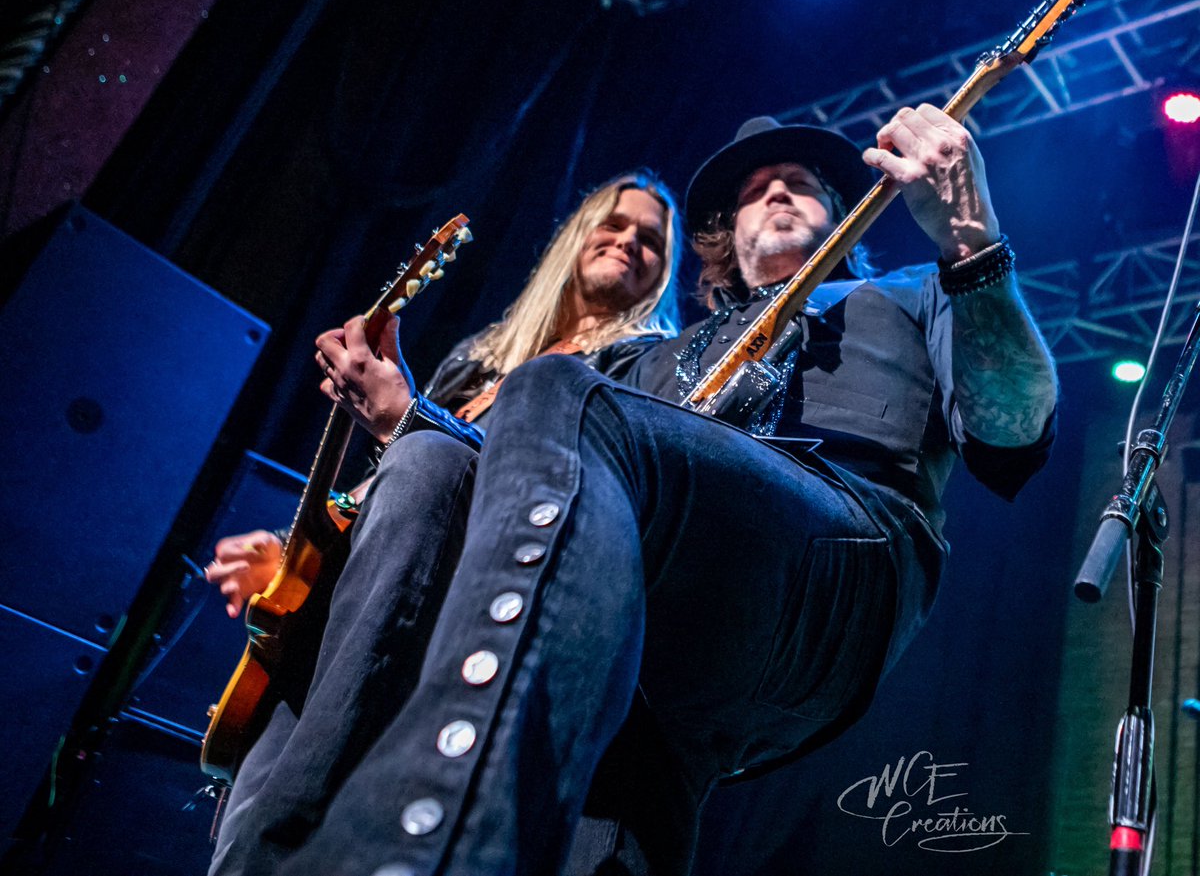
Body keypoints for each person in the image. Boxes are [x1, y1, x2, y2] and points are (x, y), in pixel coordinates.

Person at [214, 104, 1057, 876]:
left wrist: (972, 243)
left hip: (831, 578)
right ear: (722, 235)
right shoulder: (639, 359)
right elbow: (511, 479)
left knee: (553, 390)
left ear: (841, 210)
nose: (778, 194)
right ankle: (273, 846)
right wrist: (410, 418)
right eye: (755, 191)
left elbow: (1013, 426)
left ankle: (422, 842)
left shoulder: (911, 295)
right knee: (429, 466)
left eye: (800, 184)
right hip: (648, 616)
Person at [204, 170, 682, 873]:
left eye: (651, 239)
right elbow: (384, 491)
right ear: (574, 237)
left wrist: (410, 418)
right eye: (614, 223)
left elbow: (552, 495)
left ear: (664, 273)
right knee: (244, 836)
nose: (629, 241)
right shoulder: (478, 358)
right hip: (350, 606)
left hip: (446, 634)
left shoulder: (636, 371)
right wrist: (288, 552)